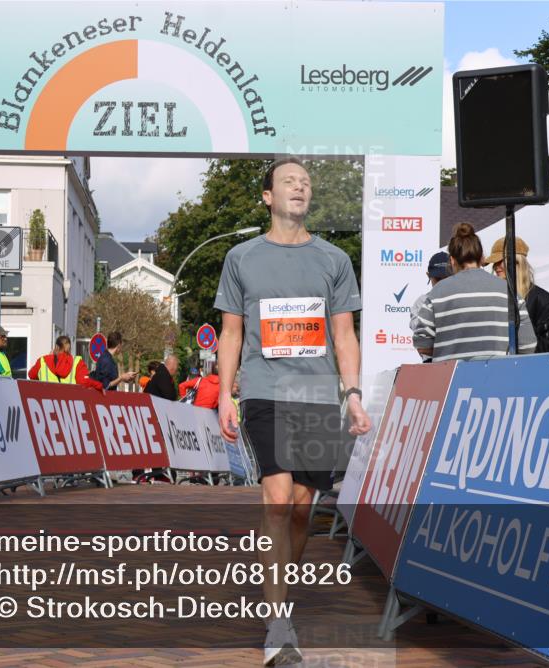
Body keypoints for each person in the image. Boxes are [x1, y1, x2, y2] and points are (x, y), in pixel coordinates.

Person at [214, 156, 371, 665]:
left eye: (305, 183)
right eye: (288, 182)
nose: (299, 188)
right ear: (268, 196)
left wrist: (352, 393)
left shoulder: (334, 259)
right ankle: (278, 624)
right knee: (278, 500)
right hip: (265, 389)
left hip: (318, 393)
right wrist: (224, 394)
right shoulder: (241, 257)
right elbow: (232, 332)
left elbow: (345, 332)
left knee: (303, 505)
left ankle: (280, 597)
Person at [414, 223, 537, 361]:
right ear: (482, 258)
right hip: (499, 378)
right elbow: (528, 345)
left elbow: (422, 344)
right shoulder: (509, 292)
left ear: (452, 260)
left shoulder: (436, 293)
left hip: (453, 378)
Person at [484, 237, 549, 353]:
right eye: (494, 263)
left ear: (516, 262)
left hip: (531, 367)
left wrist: (523, 346)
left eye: (500, 260)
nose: (495, 266)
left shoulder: (541, 299)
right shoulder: (495, 298)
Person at [410, 251, 452, 361]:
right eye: (438, 279)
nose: (442, 284)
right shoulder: (421, 302)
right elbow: (423, 347)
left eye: (446, 278)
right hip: (432, 364)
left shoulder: (461, 298)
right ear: (428, 276)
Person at [28, 335, 103, 390]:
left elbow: (31, 375)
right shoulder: (77, 362)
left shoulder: (42, 361)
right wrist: (99, 386)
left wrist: (49, 357)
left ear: (56, 347)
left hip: (45, 406)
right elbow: (84, 382)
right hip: (68, 406)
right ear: (70, 348)